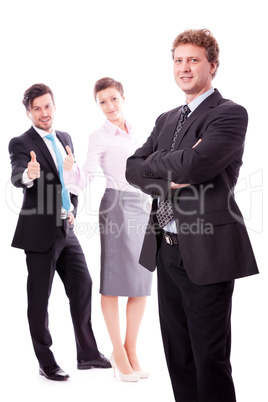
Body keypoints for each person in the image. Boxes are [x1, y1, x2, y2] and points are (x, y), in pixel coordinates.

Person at [125, 29, 259, 401]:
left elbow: (195, 166)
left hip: (207, 250)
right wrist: (170, 175)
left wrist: (162, 167)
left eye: (193, 60)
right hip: (165, 250)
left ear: (212, 66)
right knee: (178, 355)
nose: (184, 68)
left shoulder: (230, 114)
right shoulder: (167, 118)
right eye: (178, 60)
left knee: (209, 359)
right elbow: (132, 167)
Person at [8, 83, 111, 381]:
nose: (44, 113)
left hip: (66, 228)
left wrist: (73, 209)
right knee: (40, 300)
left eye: (47, 106)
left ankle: (88, 354)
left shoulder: (65, 138)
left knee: (83, 285)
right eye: (37, 108)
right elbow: (17, 174)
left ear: (55, 106)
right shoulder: (20, 142)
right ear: (28, 112)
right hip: (39, 231)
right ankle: (46, 362)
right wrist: (29, 174)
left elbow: (72, 180)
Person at [63, 77, 152, 382]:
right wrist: (70, 170)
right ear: (98, 105)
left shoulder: (140, 130)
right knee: (113, 281)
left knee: (142, 282)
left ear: (123, 98)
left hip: (143, 205)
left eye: (113, 99)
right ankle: (117, 349)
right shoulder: (98, 136)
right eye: (102, 102)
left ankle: (130, 348)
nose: (109, 107)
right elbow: (85, 175)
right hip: (115, 206)